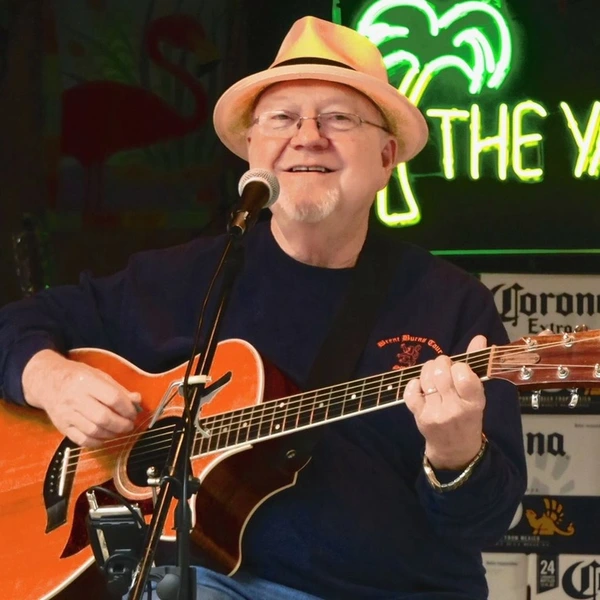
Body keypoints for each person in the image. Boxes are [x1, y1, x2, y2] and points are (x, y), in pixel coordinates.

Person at [0, 15, 526, 600]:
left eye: (338, 117)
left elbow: (485, 521)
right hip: (204, 581)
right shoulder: (184, 277)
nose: (307, 136)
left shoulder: (452, 305)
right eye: (281, 118)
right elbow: (14, 326)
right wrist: (50, 377)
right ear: (253, 149)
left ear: (386, 156)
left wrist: (456, 455)